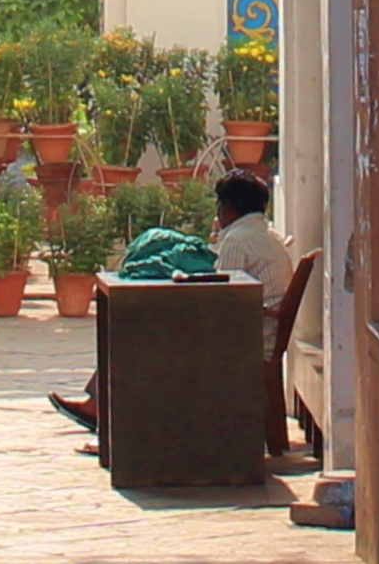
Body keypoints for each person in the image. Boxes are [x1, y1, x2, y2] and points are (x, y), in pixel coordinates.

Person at [47, 172, 293, 434]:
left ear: (228, 206)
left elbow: (219, 297)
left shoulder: (237, 240)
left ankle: (112, 416)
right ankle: (102, 408)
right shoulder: (263, 233)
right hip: (258, 332)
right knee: (146, 332)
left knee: (140, 336)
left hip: (243, 340)